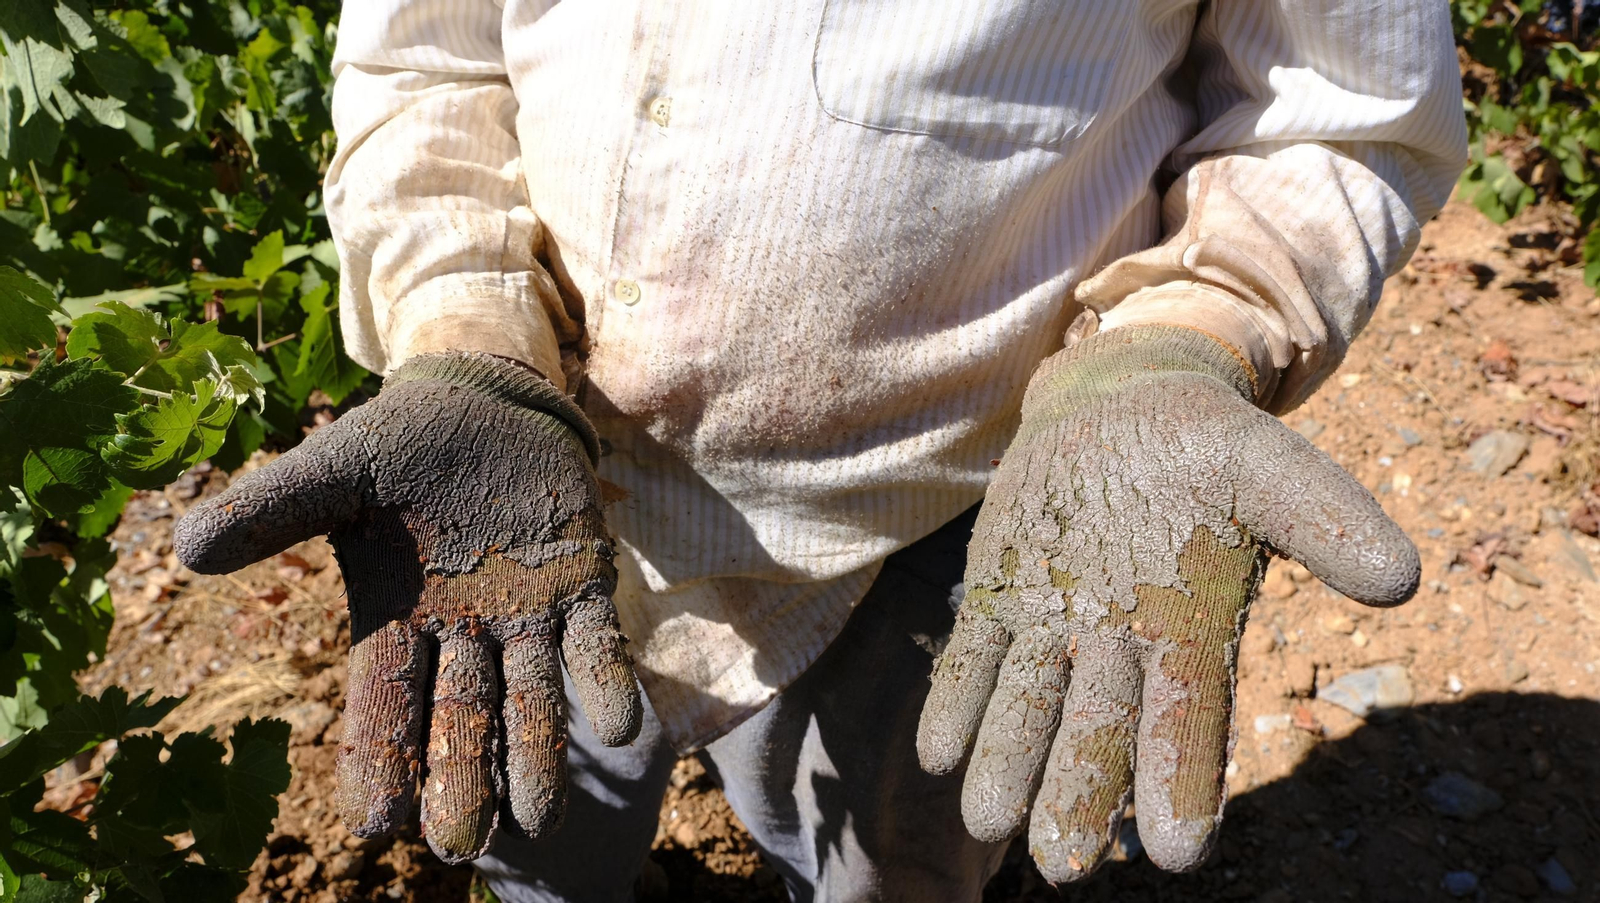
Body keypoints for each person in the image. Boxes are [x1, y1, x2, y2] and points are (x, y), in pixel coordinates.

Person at [173, 3, 1468, 901]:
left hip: (959, 509)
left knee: (893, 865)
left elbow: (1338, 112)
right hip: (530, 489)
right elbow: (424, 62)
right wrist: (464, 324)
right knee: (526, 816)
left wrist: (1181, 345)